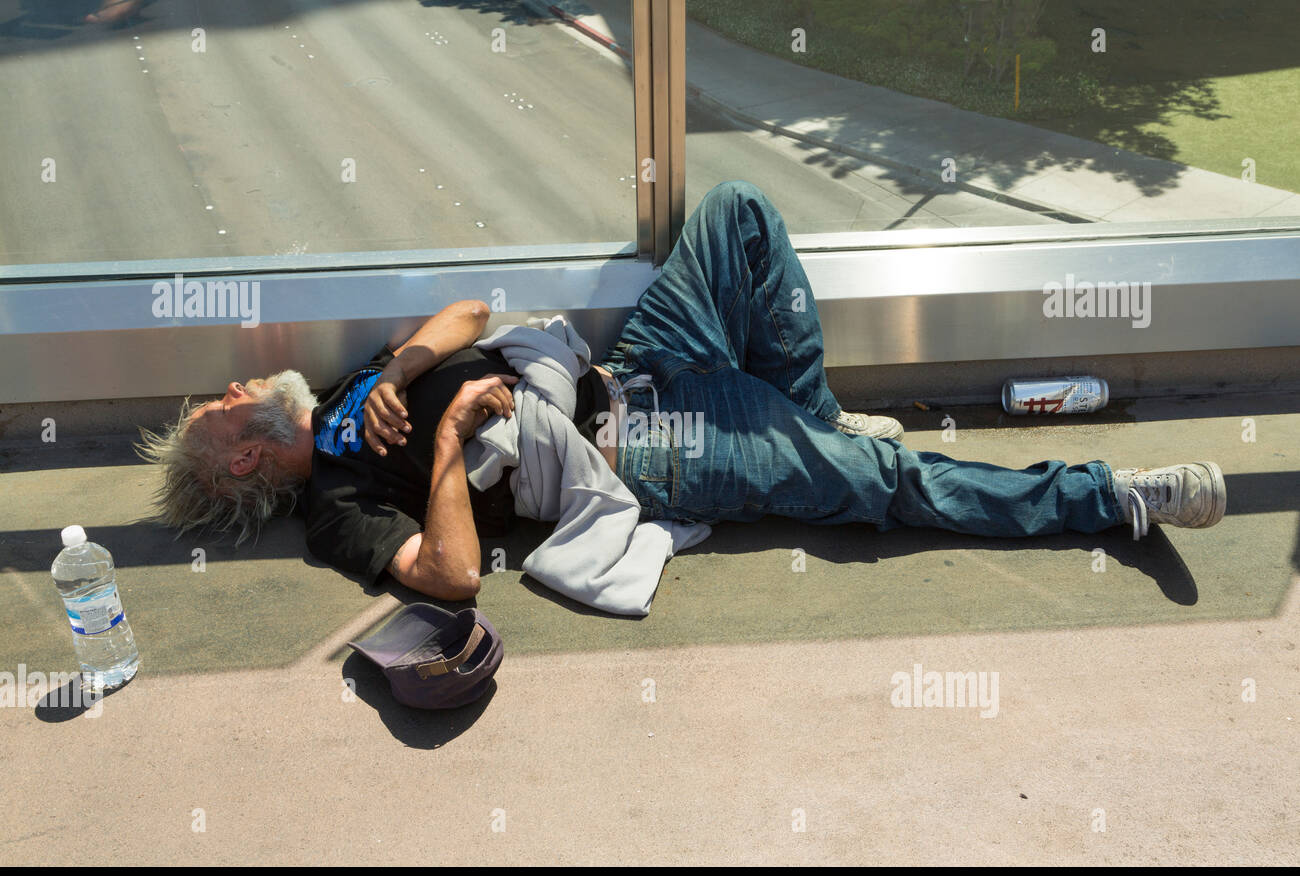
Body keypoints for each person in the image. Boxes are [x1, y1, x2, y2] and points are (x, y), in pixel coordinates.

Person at [135, 180, 1226, 605]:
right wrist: (448, 441)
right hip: (641, 448)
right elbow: (454, 577)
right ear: (241, 456)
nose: (234, 385)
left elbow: (469, 313)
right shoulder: (336, 506)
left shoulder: (336, 389)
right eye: (221, 407)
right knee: (890, 482)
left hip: (631, 363)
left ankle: (810, 419)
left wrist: (411, 369)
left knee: (736, 215)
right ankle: (1108, 499)